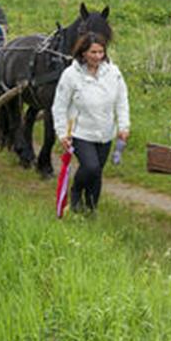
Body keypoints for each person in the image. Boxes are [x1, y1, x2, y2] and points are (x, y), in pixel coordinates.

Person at [52, 33, 129, 215]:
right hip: (81, 133)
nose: (97, 56)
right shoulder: (71, 75)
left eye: (101, 52)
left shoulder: (113, 73)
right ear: (83, 53)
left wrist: (123, 126)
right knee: (90, 167)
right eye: (93, 52)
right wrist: (62, 133)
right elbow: (59, 106)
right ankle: (76, 192)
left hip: (105, 132)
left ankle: (91, 208)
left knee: (96, 173)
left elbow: (121, 101)